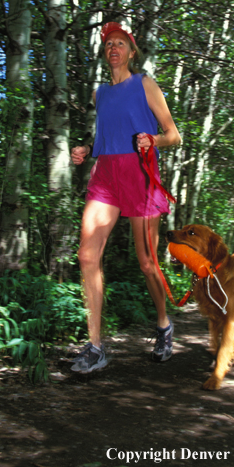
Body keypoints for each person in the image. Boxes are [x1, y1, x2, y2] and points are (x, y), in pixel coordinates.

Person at [70, 21, 181, 373]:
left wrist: (154, 140)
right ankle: (96, 346)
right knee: (87, 254)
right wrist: (87, 149)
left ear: (132, 52)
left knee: (147, 262)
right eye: (108, 44)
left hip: (141, 174)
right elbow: (106, 135)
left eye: (120, 43)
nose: (113, 48)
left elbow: (173, 135)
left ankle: (163, 324)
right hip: (106, 175)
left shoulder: (144, 84)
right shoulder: (99, 93)